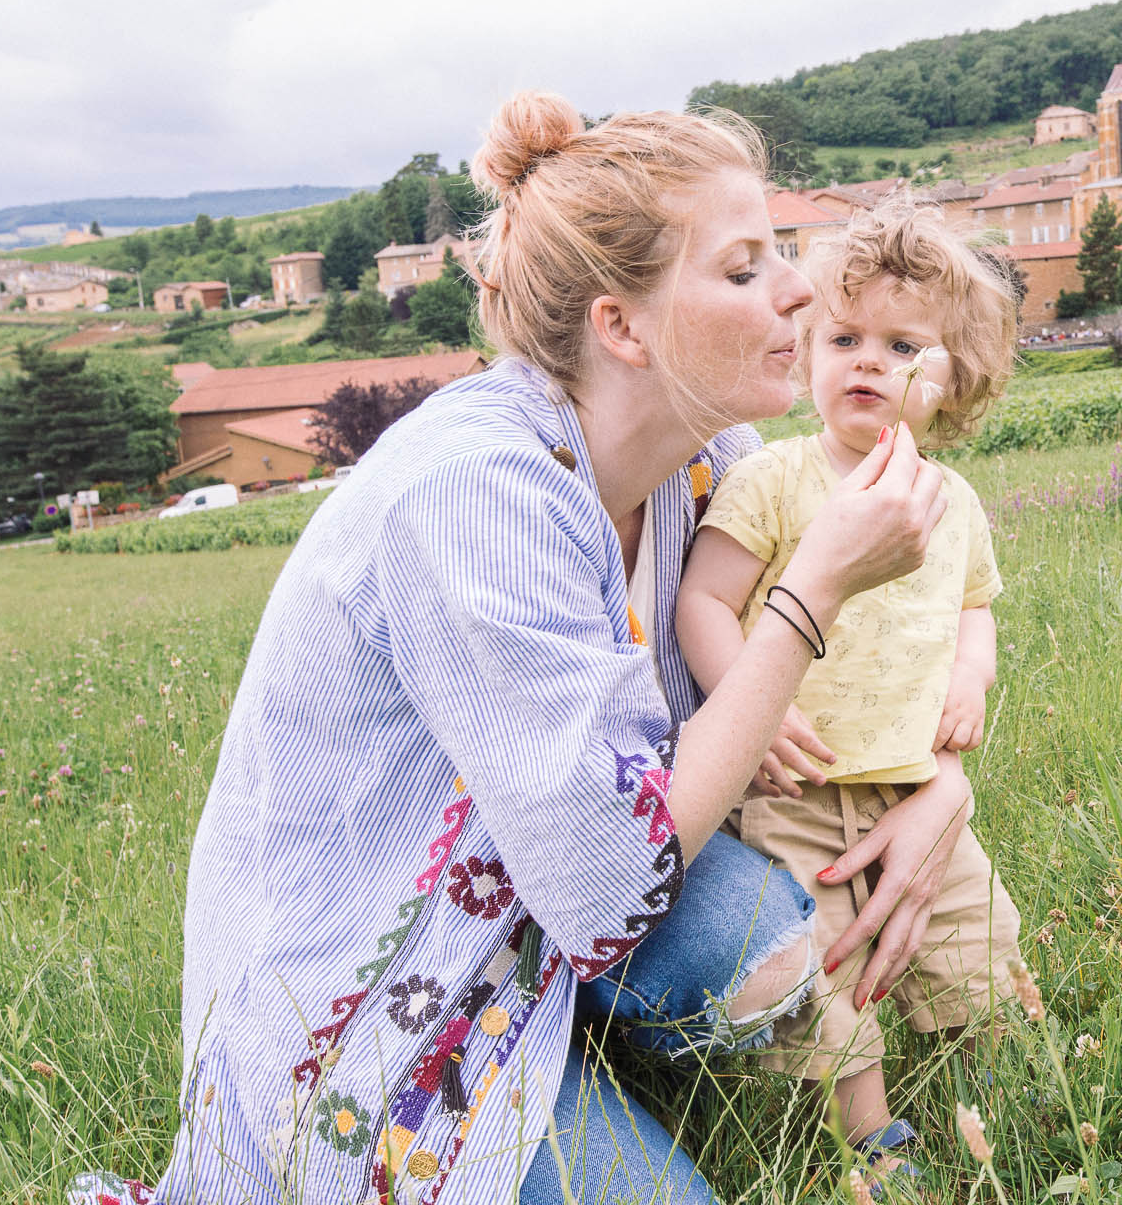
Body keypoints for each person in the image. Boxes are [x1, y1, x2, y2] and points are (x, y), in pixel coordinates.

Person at [69, 92, 982, 1205]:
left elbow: (812, 706)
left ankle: (584, 1052)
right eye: (744, 268)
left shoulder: (712, 465)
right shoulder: (478, 493)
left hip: (546, 900)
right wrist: (813, 588)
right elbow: (613, 884)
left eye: (782, 252)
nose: (800, 288)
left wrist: (944, 789)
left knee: (774, 953)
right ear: (624, 327)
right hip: (376, 998)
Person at [676, 197, 1022, 1193]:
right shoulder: (775, 479)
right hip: (797, 785)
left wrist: (969, 675)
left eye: (903, 343)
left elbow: (974, 606)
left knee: (973, 936)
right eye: (843, 337)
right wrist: (747, 694)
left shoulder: (948, 499)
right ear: (808, 347)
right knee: (826, 969)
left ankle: (1004, 1098)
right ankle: (873, 1140)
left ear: (956, 378)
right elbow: (706, 596)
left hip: (915, 781)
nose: (867, 360)